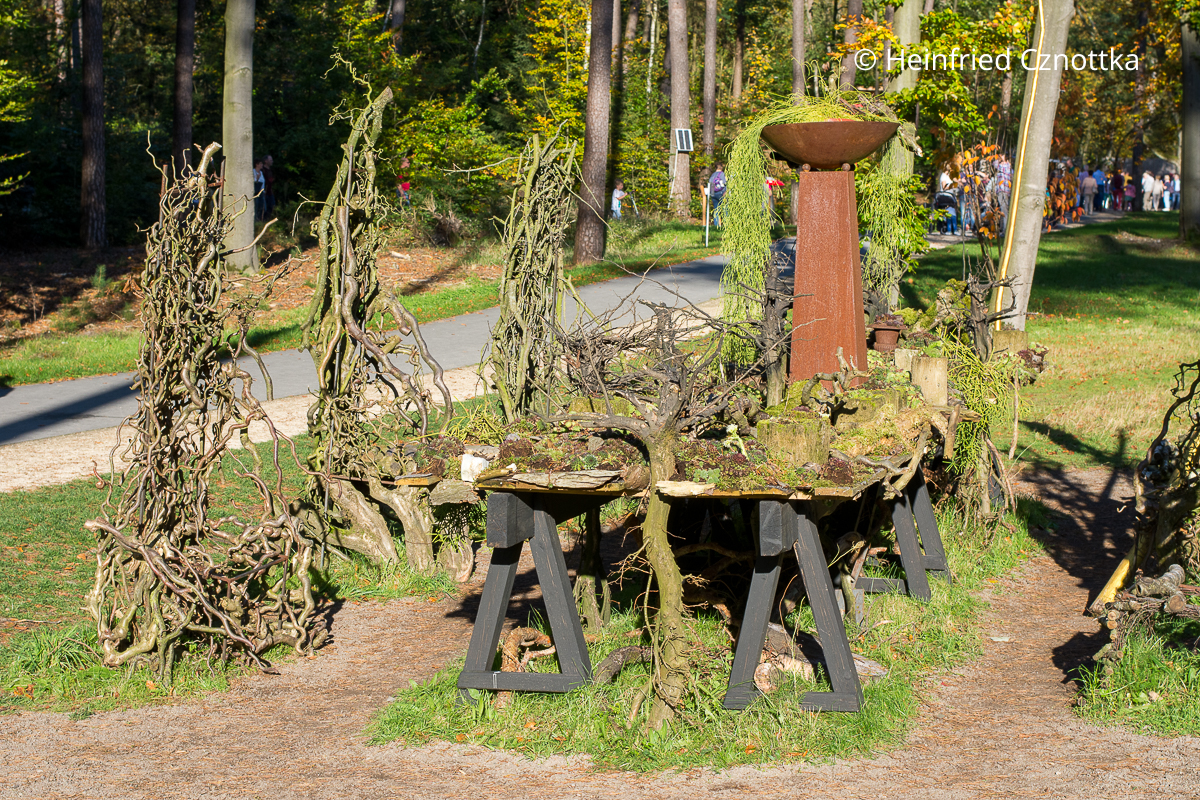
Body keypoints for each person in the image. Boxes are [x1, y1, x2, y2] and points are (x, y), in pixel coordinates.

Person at [262, 154, 276, 219]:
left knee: (272, 206)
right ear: (266, 161)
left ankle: (268, 219)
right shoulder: (263, 170)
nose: (272, 161)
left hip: (270, 192)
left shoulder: (270, 170)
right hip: (264, 192)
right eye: (270, 160)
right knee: (264, 207)